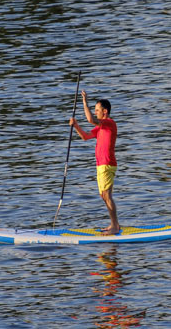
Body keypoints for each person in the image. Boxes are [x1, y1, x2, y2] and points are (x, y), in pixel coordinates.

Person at [70, 90, 119, 235]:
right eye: (95, 110)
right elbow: (85, 136)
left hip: (107, 164)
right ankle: (114, 224)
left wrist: (84, 102)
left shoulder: (109, 123)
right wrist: (76, 125)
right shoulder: (100, 127)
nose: (95, 112)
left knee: (107, 195)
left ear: (104, 111)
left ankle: (115, 226)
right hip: (101, 165)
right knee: (104, 195)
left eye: (97, 110)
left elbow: (91, 119)